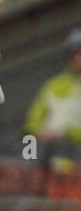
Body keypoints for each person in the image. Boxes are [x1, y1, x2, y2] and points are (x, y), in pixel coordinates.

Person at [24, 29, 81, 172]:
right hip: (50, 152)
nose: (79, 59)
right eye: (76, 54)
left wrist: (66, 133)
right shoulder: (53, 86)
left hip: (75, 153)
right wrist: (42, 133)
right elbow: (31, 124)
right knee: (29, 147)